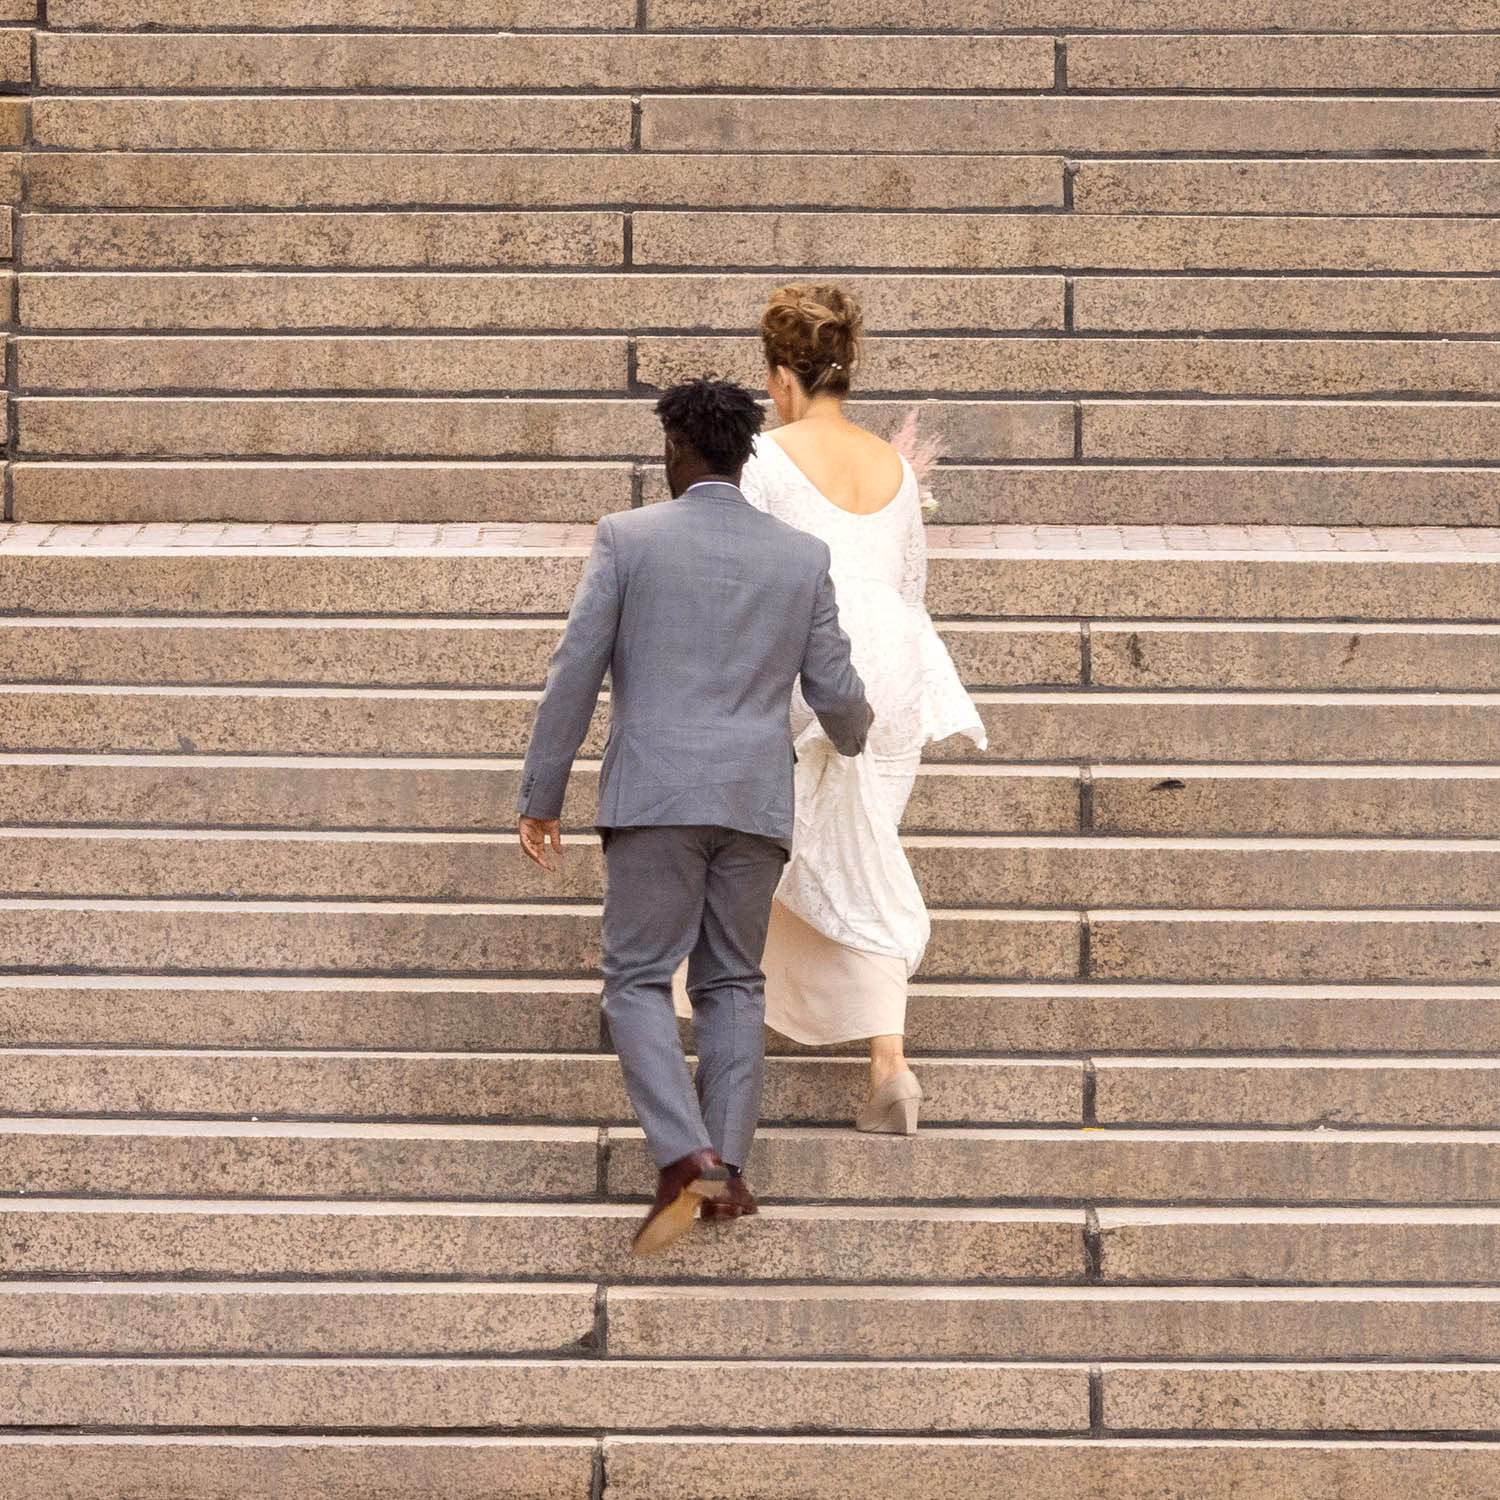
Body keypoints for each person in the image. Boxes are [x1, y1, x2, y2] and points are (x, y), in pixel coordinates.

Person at [517, 377, 873, 1257]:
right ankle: (731, 1170)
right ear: (746, 454)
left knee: (638, 979)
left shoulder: (628, 539)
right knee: (732, 983)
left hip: (657, 797)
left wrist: (542, 795)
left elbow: (574, 673)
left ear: (676, 451)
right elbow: (838, 693)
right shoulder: (801, 556)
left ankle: (685, 1155)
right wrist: (857, 738)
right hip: (754, 801)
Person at [739, 284, 987, 1135]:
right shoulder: (892, 465)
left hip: (813, 656)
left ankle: (716, 1020)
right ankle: (886, 1061)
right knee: (863, 847)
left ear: (781, 377)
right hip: (894, 663)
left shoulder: (765, 459)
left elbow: (752, 576)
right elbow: (912, 587)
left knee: (790, 844)